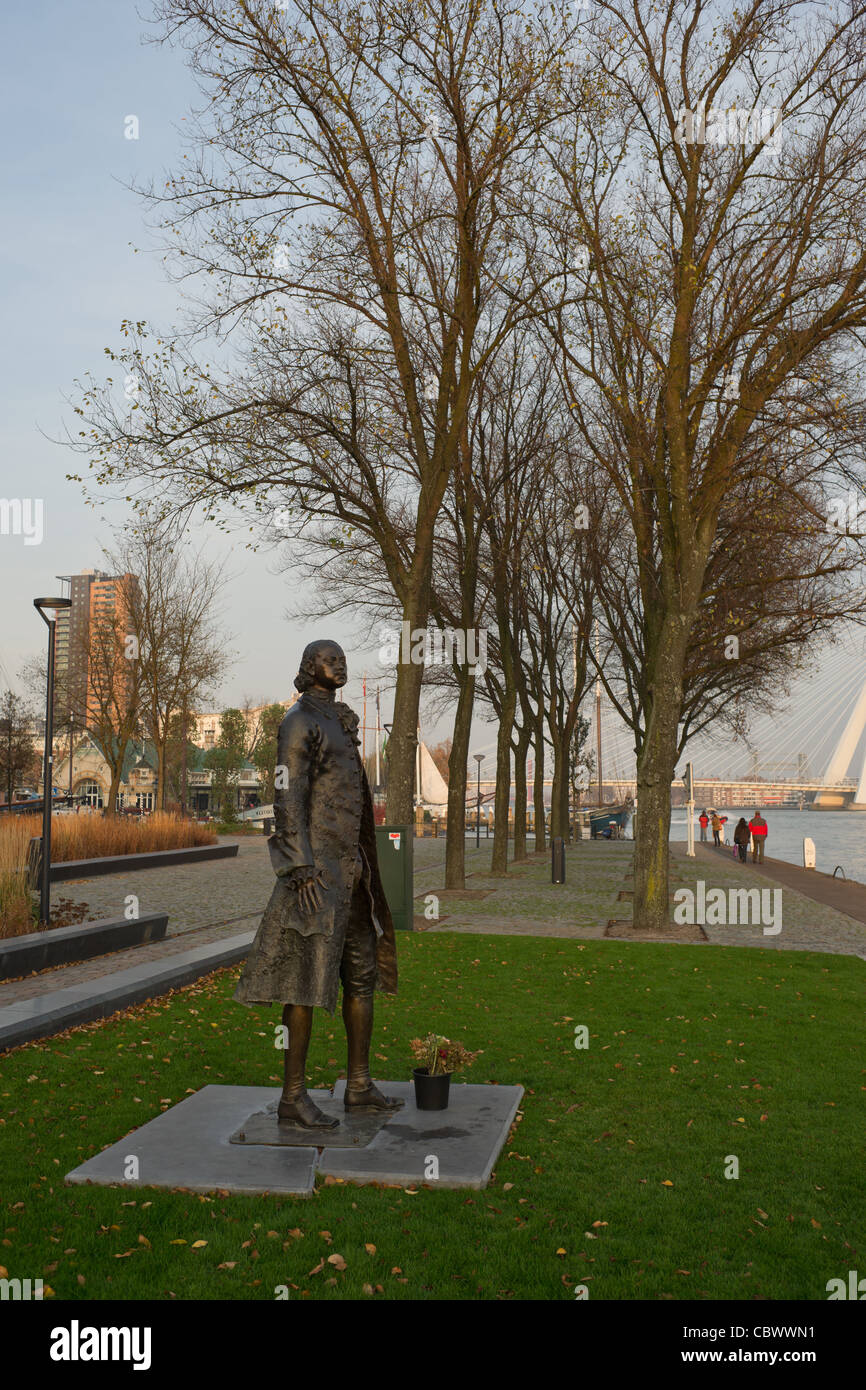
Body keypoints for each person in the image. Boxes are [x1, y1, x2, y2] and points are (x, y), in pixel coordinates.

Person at [235, 639, 401, 1128]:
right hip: (315, 875)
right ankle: (292, 1096)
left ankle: (360, 1084)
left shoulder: (340, 719)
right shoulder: (299, 721)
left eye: (343, 657)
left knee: (362, 974)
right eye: (331, 659)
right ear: (311, 668)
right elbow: (286, 795)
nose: (340, 664)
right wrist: (299, 866)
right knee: (304, 980)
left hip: (352, 873)